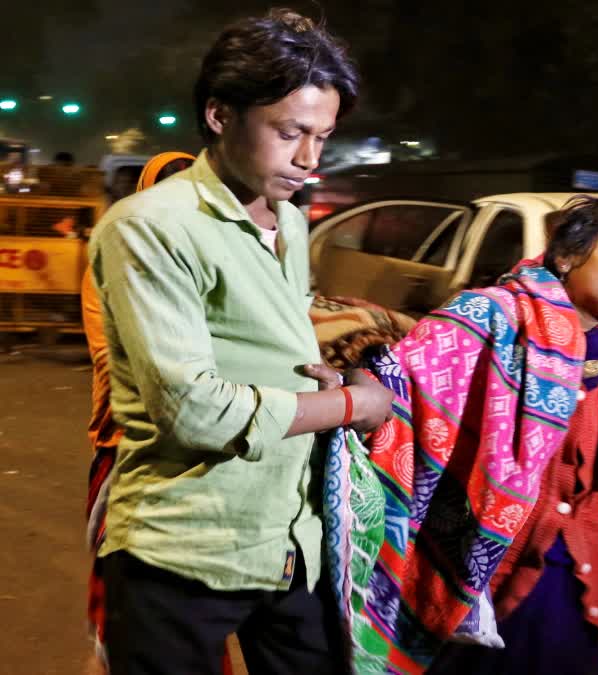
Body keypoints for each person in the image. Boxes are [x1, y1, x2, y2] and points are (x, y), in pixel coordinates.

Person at [87, 11, 395, 674]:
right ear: (221, 115)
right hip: (181, 555)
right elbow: (194, 411)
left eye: (323, 136)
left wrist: (330, 383)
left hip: (293, 547)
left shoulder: (288, 220)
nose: (310, 159)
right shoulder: (151, 228)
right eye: (290, 133)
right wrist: (352, 407)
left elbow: (274, 349)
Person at [323, 197, 598, 674]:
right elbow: (409, 379)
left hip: (577, 586)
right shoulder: (491, 317)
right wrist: (365, 382)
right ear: (566, 256)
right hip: (478, 583)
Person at [82, 152, 198, 675]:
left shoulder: (209, 256)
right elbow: (114, 357)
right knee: (126, 595)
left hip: (197, 453)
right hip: (127, 446)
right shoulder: (116, 254)